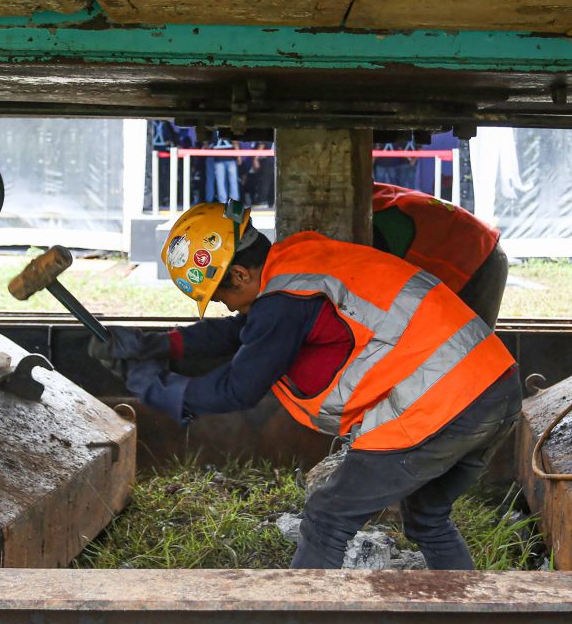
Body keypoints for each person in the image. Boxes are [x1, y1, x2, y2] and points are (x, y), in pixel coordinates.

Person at [92, 201, 522, 570]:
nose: (224, 306)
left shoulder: (284, 303)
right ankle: (475, 619)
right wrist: (157, 345)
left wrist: (154, 387)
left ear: (240, 275)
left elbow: (237, 388)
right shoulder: (299, 264)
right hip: (495, 389)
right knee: (428, 515)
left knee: (327, 517)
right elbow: (244, 330)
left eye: (220, 297)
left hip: (440, 403)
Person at [372, 182, 508, 328]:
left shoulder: (374, 221)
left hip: (479, 258)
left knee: (466, 347)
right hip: (468, 249)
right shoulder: (373, 203)